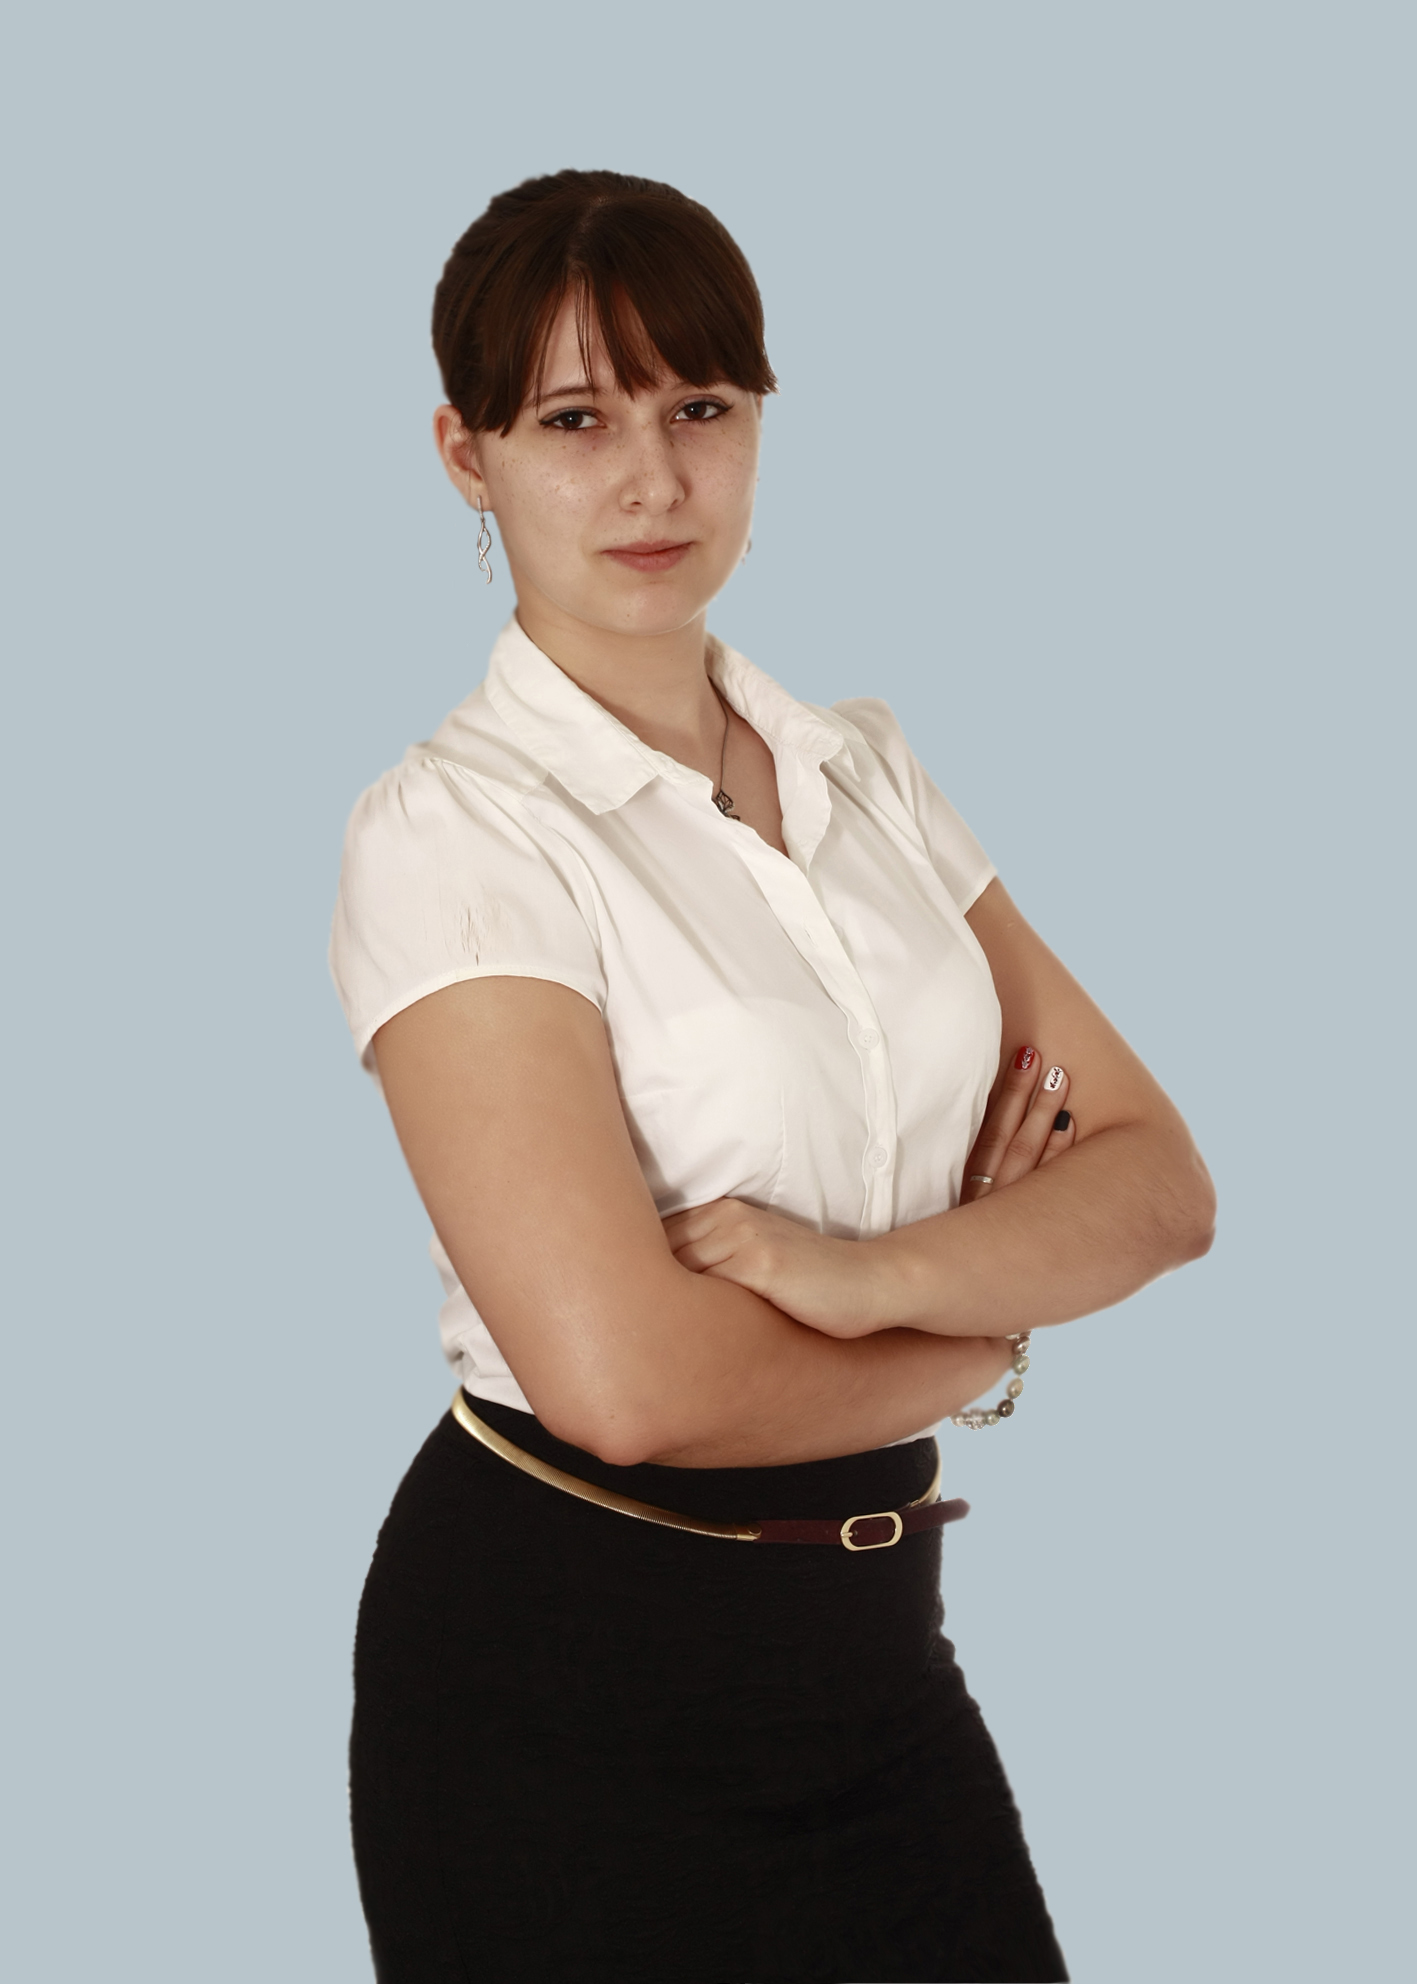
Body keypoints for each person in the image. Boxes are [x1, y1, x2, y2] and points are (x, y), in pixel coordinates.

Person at [329, 168, 1215, 1984]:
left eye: (700, 408)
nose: (653, 480)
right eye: (575, 421)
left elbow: (1156, 1182)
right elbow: (626, 1386)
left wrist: (862, 1276)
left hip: (875, 1662)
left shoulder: (863, 770)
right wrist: (986, 1328)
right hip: (558, 1689)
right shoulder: (451, 838)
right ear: (464, 455)